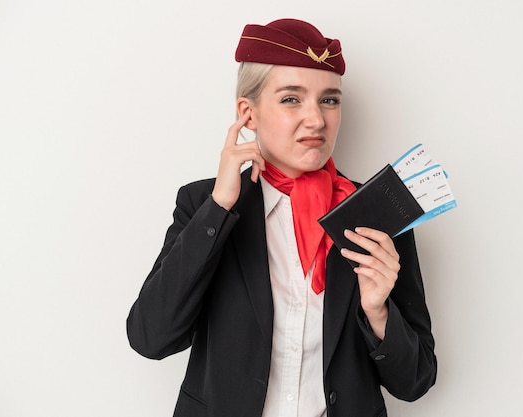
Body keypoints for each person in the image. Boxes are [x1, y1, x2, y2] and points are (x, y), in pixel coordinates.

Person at [127, 18, 437, 417]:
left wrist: (378, 312)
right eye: (292, 99)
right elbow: (151, 338)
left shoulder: (379, 210)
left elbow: (416, 381)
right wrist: (219, 208)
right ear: (248, 113)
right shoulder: (205, 203)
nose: (316, 119)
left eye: (330, 100)